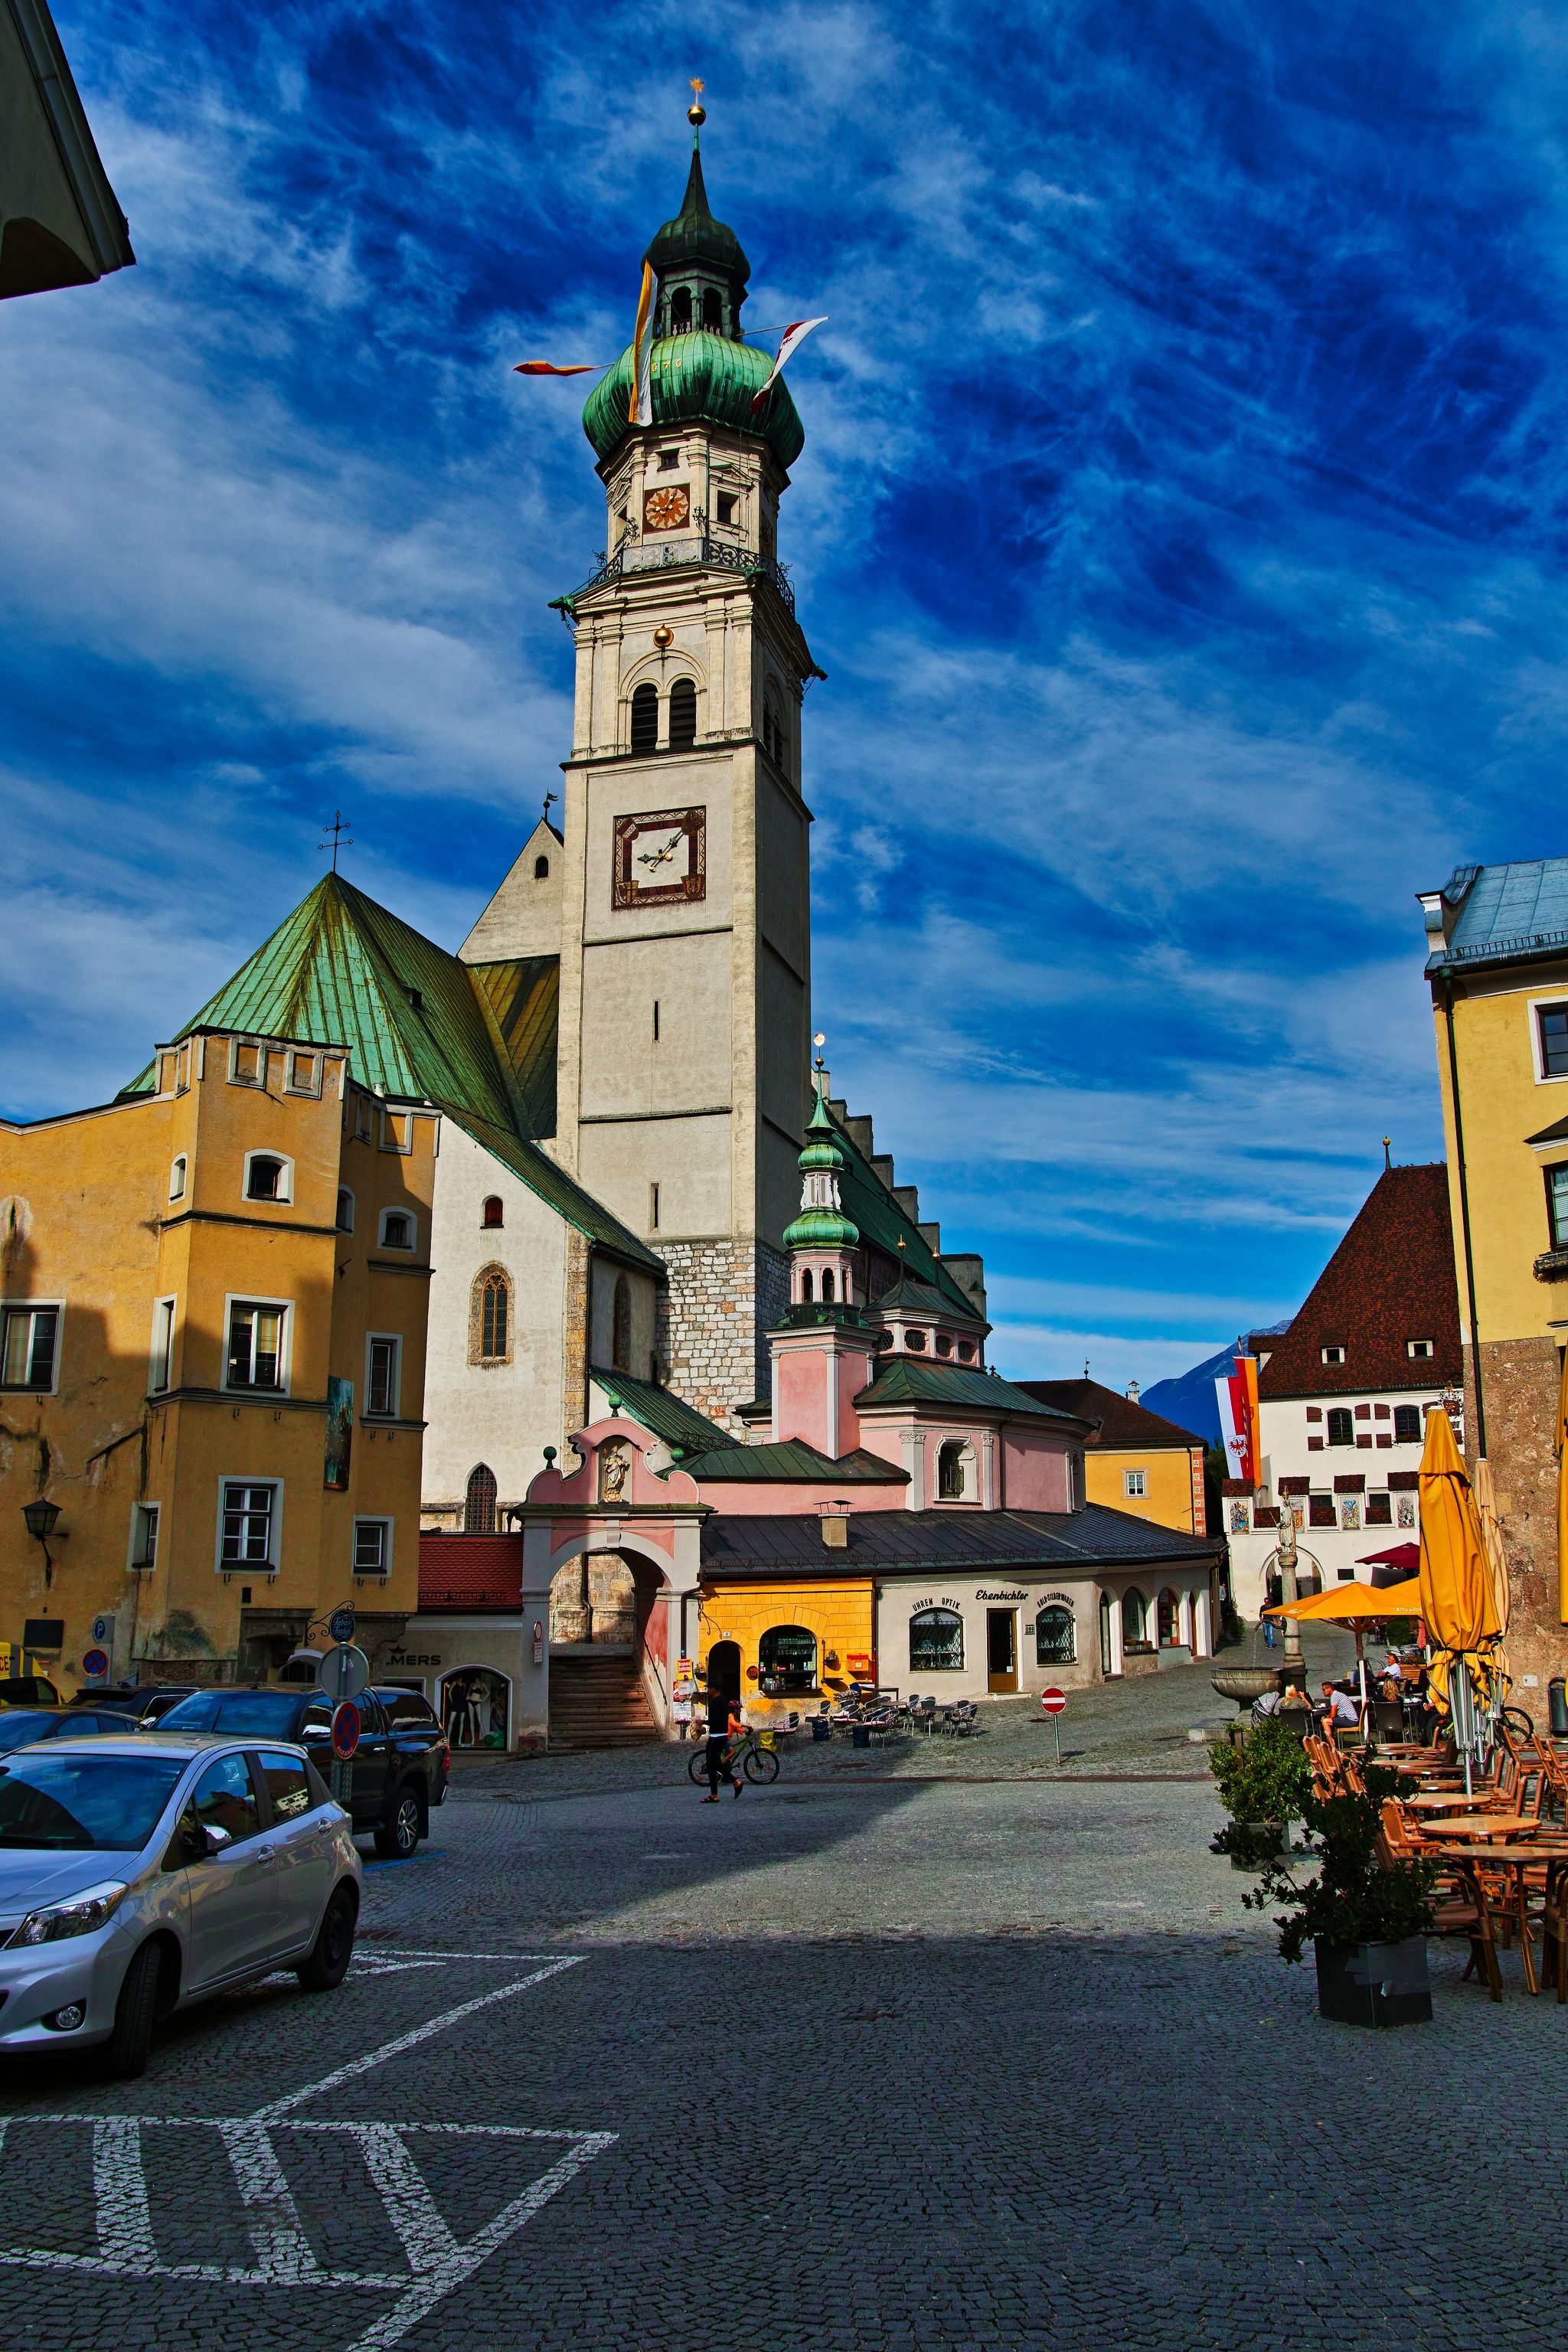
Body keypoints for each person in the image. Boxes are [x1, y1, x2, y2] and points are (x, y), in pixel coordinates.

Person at [701, 1690, 744, 1802]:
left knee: (712, 1764)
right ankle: (732, 1785)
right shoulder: (724, 1701)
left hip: (716, 1736)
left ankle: (718, 1792)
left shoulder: (715, 1702)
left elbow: (716, 1721)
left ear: (714, 1689)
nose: (708, 1691)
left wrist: (703, 1722)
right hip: (722, 1735)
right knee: (715, 1764)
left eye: (709, 1688)